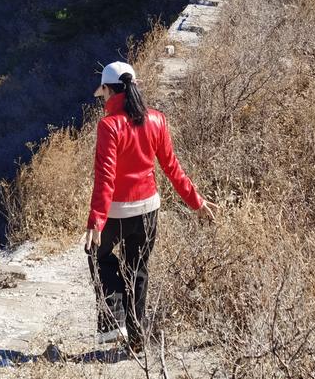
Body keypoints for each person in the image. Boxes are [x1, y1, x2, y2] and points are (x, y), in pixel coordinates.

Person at [82, 60, 215, 350]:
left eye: (102, 92)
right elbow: (171, 166)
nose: (101, 97)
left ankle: (112, 322)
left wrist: (96, 221)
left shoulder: (109, 126)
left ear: (107, 89)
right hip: (148, 210)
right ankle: (137, 339)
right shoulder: (156, 120)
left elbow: (105, 177)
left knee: (96, 255)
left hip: (117, 210)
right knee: (138, 270)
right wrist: (196, 202)